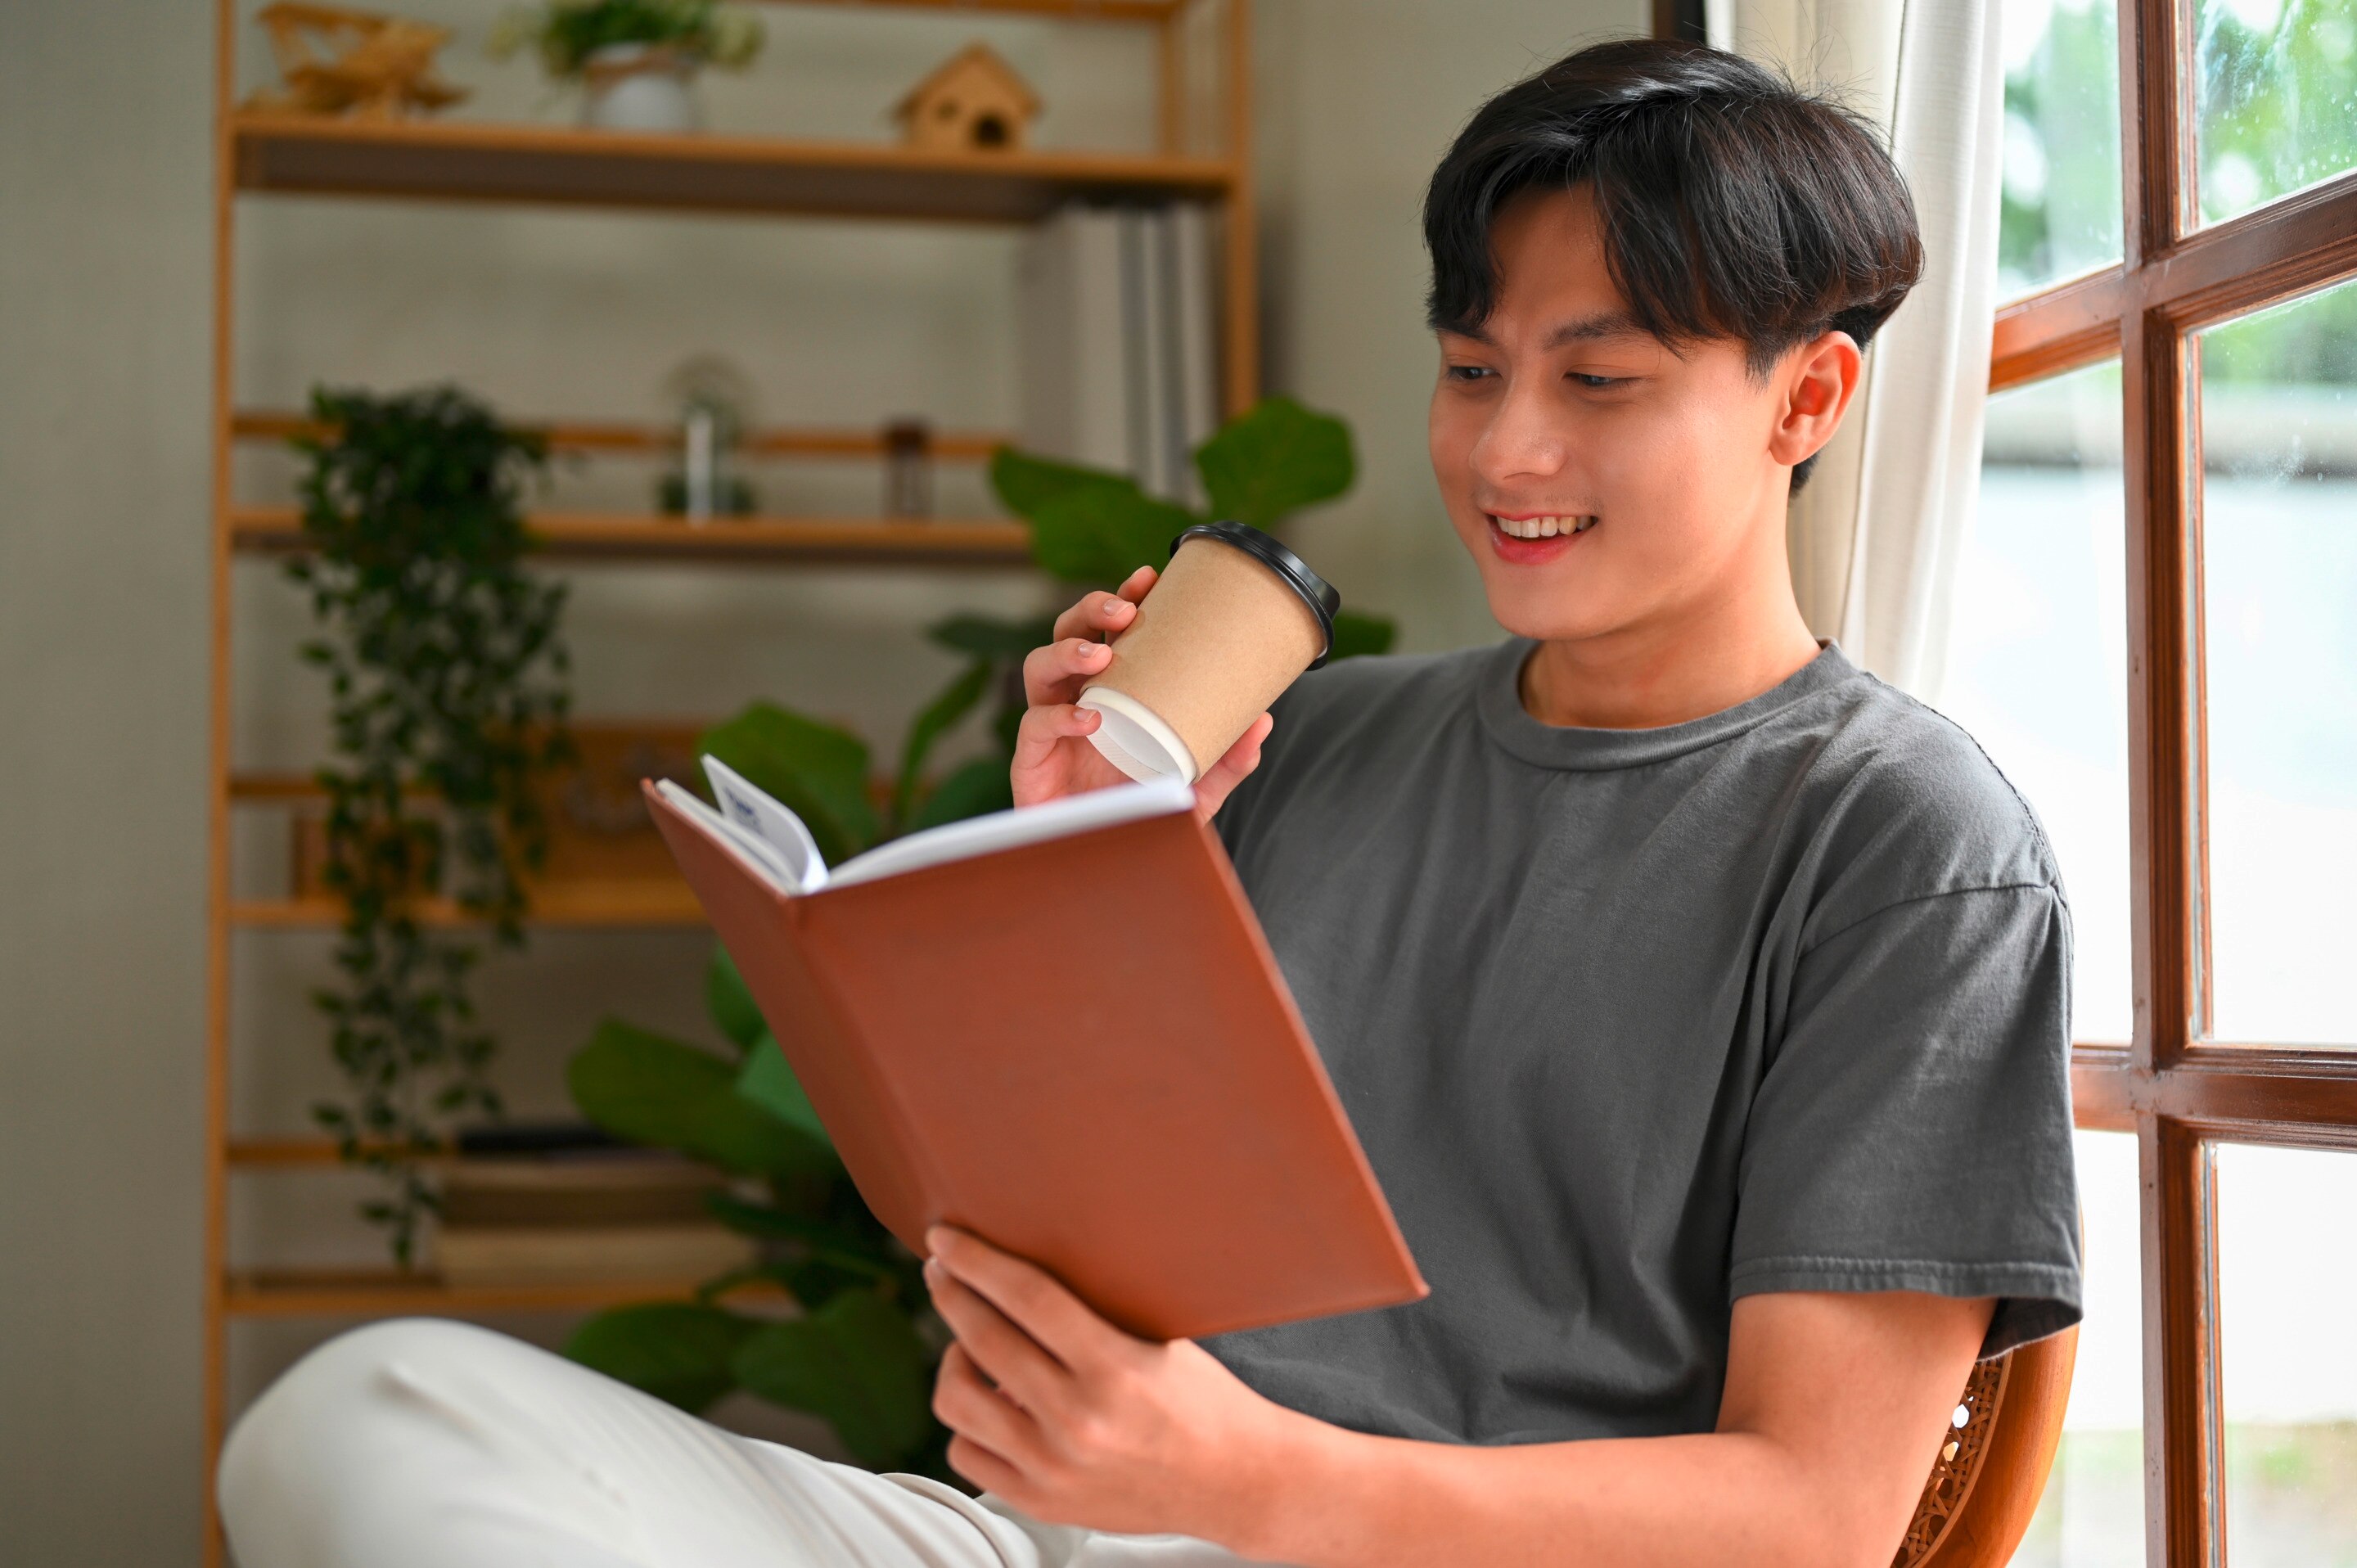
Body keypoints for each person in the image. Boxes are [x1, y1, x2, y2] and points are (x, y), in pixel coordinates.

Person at [219, 38, 2080, 1568]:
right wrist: (1072, 859)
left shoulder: (1907, 847)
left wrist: (1257, 1484)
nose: (1509, 448)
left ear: (1805, 400)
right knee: (366, 1411)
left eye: (1599, 379)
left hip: (1401, 1545)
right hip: (1075, 1537)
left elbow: (1815, 1516)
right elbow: (1031, 1252)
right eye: (1470, 370)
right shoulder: (1313, 741)